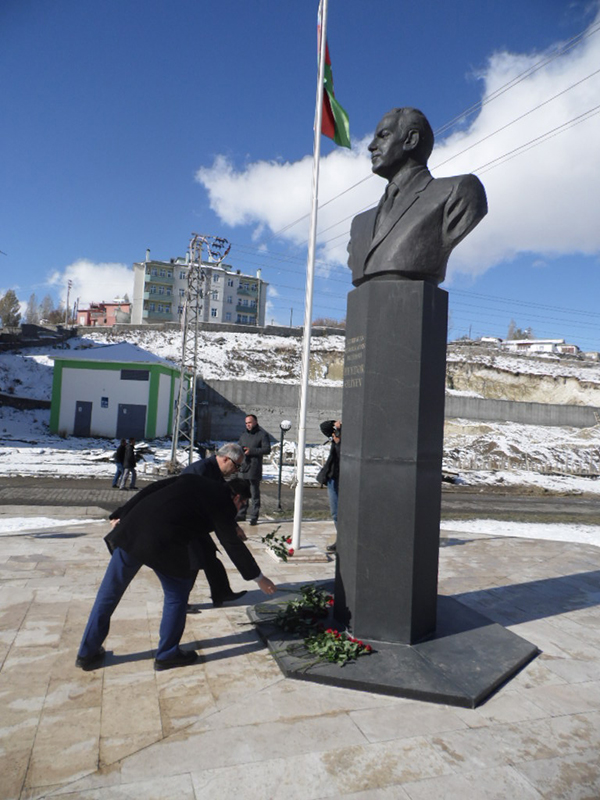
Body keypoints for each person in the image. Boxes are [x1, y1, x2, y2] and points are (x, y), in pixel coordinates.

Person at [75, 475, 277, 672]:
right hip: (164, 543)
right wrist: (258, 577)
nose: (240, 510)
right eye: (242, 505)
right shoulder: (223, 504)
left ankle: (87, 653)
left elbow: (151, 489)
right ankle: (167, 654)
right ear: (237, 498)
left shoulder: (195, 479)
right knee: (177, 595)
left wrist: (121, 512)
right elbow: (231, 544)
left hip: (132, 530)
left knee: (109, 593)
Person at [347, 107, 487, 288]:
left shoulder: (458, 190)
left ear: (411, 140)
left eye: (383, 136)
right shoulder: (360, 224)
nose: (371, 146)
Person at [182, 443, 249, 608]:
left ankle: (221, 593)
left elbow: (219, 504)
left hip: (196, 524)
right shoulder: (200, 470)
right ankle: (179, 601)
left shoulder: (214, 472)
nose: (236, 470)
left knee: (209, 556)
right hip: (184, 524)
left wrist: (234, 526)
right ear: (226, 459)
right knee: (193, 561)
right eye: (236, 466)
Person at [237, 414, 271, 526]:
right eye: (246, 423)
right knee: (242, 493)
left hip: (254, 468)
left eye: (250, 422)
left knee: (254, 494)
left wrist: (251, 451)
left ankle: (254, 517)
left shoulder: (262, 434)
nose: (248, 425)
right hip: (243, 467)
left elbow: (267, 449)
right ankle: (241, 514)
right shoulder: (243, 434)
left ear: (255, 422)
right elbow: (239, 446)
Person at [317, 420, 341, 553]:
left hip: (345, 479)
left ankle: (344, 540)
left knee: (345, 513)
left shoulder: (352, 439)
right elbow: (323, 427)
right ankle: (340, 540)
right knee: (335, 513)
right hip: (332, 478)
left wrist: (339, 443)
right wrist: (335, 423)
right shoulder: (336, 434)